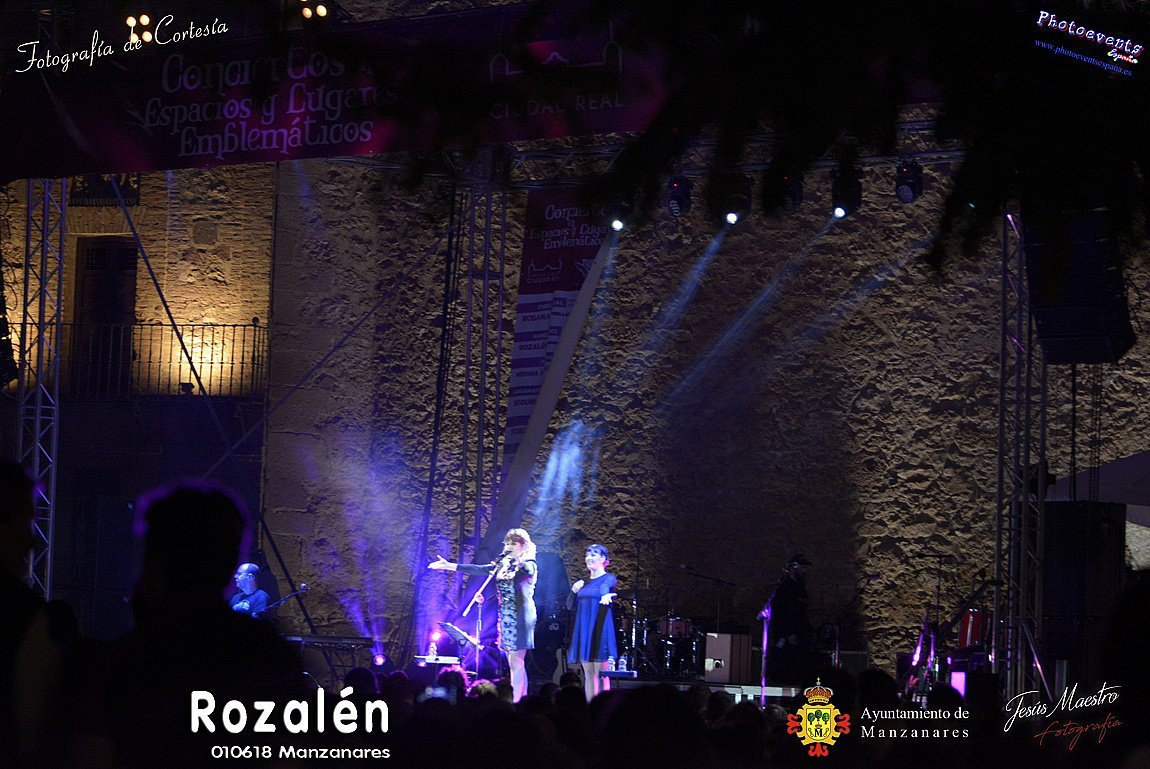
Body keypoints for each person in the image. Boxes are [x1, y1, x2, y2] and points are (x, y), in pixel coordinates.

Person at [428, 528, 538, 702]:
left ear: (523, 546)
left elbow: (529, 570)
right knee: (513, 662)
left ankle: (517, 702)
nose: (509, 546)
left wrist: (519, 561)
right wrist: (451, 566)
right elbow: (480, 569)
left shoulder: (529, 562)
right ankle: (521, 698)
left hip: (521, 615)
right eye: (507, 543)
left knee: (516, 661)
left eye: (513, 543)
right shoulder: (503, 564)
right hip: (506, 616)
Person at [566, 543, 618, 701]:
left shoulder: (608, 578)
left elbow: (605, 587)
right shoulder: (583, 583)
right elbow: (569, 606)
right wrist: (573, 591)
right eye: (587, 554)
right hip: (584, 630)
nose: (589, 557)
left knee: (601, 674)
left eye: (593, 554)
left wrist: (605, 595)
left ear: (603, 559)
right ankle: (590, 708)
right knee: (588, 675)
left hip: (600, 629)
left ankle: (604, 708)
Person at [762, 552, 814, 685]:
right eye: (801, 568)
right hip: (786, 635)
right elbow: (780, 613)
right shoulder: (784, 587)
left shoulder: (800, 587)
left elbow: (801, 611)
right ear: (792, 568)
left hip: (799, 633)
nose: (804, 571)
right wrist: (788, 633)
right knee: (784, 664)